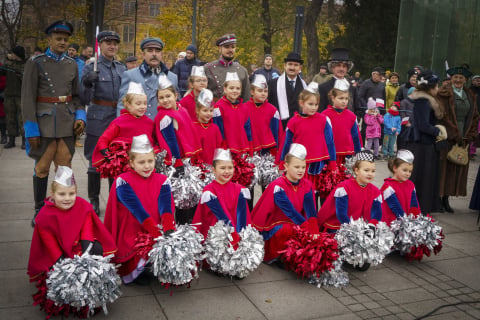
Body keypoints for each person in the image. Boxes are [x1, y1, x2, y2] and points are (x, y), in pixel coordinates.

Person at [27, 166, 117, 316]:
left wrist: (86, 260)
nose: (67, 198)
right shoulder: (44, 215)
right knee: (58, 277)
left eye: (72, 193)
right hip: (57, 254)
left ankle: (91, 294)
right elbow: (50, 243)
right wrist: (66, 268)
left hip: (78, 249)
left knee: (97, 249)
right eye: (62, 194)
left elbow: (87, 232)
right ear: (52, 194)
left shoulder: (83, 206)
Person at [22, 20, 85, 227]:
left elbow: (77, 96)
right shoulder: (36, 62)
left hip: (67, 122)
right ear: (49, 39)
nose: (62, 42)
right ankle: (39, 209)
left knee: (64, 168)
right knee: (41, 168)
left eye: (66, 40)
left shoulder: (72, 64)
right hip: (43, 123)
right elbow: (27, 98)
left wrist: (80, 117)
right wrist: (30, 127)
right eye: (58, 39)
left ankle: (62, 208)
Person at [104, 134, 175, 284]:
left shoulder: (162, 180)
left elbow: (166, 207)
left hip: (155, 227)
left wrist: (168, 231)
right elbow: (137, 210)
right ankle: (137, 269)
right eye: (141, 162)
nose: (147, 166)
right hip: (132, 228)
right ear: (131, 163)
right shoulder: (123, 181)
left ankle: (154, 262)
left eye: (150, 161)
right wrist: (156, 234)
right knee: (139, 255)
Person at [80, 30, 127, 215]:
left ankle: (114, 199)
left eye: (115, 43)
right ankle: (93, 199)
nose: (112, 46)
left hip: (117, 118)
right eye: (108, 42)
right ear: (100, 45)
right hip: (98, 117)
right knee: (95, 160)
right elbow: (83, 98)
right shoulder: (91, 66)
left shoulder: (122, 68)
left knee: (116, 160)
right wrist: (87, 83)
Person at [252, 143, 318, 262]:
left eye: (303, 167)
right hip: (277, 224)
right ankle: (275, 256)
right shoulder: (278, 186)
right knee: (288, 229)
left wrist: (314, 229)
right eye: (296, 167)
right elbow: (290, 211)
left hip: (297, 222)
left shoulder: (307, 185)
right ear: (286, 166)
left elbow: (311, 210)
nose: (301, 170)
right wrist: (306, 227)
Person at [436, 66, 480, 213]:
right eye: (456, 77)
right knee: (444, 169)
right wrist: (452, 133)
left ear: (466, 80)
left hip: (464, 137)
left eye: (461, 78)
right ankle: (438, 199)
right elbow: (441, 115)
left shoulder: (470, 94)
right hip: (448, 136)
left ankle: (446, 199)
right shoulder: (444, 94)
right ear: (451, 78)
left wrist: (471, 134)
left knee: (456, 169)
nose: (458, 80)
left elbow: (475, 116)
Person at [92, 82, 158, 178]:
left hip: (143, 165)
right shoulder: (119, 122)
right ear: (128, 104)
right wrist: (109, 157)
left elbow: (155, 141)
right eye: (138, 104)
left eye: (144, 103)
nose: (142, 106)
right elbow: (103, 140)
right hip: (122, 168)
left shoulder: (149, 123)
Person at [279, 83, 336, 192]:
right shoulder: (293, 121)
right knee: (300, 191)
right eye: (310, 104)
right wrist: (283, 163)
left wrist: (332, 163)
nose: (314, 107)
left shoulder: (323, 120)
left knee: (317, 192)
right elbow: (287, 143)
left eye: (316, 104)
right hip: (299, 164)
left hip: (319, 163)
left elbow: (330, 142)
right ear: (301, 103)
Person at [192, 148, 252, 245]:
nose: (227, 171)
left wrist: (242, 235)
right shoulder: (209, 191)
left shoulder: (240, 189)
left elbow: (242, 215)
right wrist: (232, 234)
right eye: (222, 168)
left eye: (230, 168)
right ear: (214, 170)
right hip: (217, 235)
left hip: (238, 233)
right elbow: (220, 215)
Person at [408, 70, 446, 214]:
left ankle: (424, 207)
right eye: (436, 86)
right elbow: (423, 125)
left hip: (426, 144)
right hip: (422, 144)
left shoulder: (427, 99)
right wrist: (438, 131)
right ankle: (420, 208)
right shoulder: (423, 101)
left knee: (427, 176)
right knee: (423, 177)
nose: (438, 89)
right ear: (429, 87)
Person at [317, 150, 382, 232]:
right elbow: (341, 214)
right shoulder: (345, 188)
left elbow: (377, 213)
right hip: (340, 226)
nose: (370, 174)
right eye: (366, 170)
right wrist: (354, 229)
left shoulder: (375, 191)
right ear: (356, 171)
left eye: (373, 171)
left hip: (363, 228)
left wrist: (372, 224)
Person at [118, 37, 178, 119]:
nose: (154, 54)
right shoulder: (130, 75)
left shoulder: (172, 77)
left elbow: (176, 105)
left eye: (157, 51)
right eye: (150, 51)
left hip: (164, 128)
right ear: (143, 54)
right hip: (139, 127)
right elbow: (122, 106)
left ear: (161, 54)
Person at [321, 81, 362, 165]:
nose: (344, 101)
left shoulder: (351, 116)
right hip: (330, 154)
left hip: (347, 155)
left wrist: (358, 152)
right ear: (333, 98)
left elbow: (355, 135)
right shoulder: (325, 115)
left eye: (346, 99)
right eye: (341, 98)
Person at [213, 72, 252, 155]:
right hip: (226, 149)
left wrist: (250, 144)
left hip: (242, 147)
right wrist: (222, 147)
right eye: (231, 88)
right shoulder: (218, 107)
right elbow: (218, 129)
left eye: (238, 88)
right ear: (225, 89)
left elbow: (247, 128)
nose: (235, 91)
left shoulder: (244, 108)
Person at [205, 33, 250, 102]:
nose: (230, 50)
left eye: (233, 47)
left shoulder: (242, 71)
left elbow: (246, 97)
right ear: (220, 49)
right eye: (226, 47)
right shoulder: (208, 68)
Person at [245, 74, 283, 156]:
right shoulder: (244, 108)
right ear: (252, 92)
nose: (263, 94)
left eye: (265, 91)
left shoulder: (273, 110)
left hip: (268, 151)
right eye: (260, 91)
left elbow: (277, 132)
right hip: (249, 149)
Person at [267, 52, 307, 129]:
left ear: (300, 67)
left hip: (299, 127)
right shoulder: (273, 84)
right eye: (290, 64)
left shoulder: (305, 86)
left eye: (296, 65)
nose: (292, 67)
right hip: (279, 126)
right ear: (285, 65)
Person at [380, 150, 420, 226]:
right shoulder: (388, 186)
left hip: (407, 222)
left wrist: (415, 220)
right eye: (405, 170)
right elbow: (395, 207)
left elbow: (414, 204)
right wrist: (405, 222)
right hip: (394, 223)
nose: (408, 174)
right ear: (395, 168)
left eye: (410, 171)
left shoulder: (410, 184)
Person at [0, 46, 26, 149]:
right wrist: (6, 61)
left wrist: (19, 74)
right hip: (9, 95)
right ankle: (11, 139)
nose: (12, 55)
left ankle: (24, 140)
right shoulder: (9, 64)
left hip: (21, 96)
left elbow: (26, 78)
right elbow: (2, 71)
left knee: (22, 119)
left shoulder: (25, 65)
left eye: (14, 53)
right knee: (10, 118)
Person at [317, 48, 356, 113]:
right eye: (338, 65)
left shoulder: (352, 88)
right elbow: (320, 111)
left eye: (344, 66)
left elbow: (356, 109)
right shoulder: (323, 87)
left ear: (347, 68)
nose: (341, 69)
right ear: (332, 67)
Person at [192, 88, 223, 165]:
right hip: (199, 166)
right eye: (205, 110)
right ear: (197, 110)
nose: (208, 113)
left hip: (213, 164)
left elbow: (219, 146)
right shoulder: (193, 127)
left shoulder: (215, 128)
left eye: (211, 110)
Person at [469, 74, 480, 159]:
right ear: (472, 81)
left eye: (479, 80)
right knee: (472, 132)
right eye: (476, 80)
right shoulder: (470, 90)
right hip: (472, 115)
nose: (478, 81)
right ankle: (469, 151)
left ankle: (473, 151)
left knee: (477, 134)